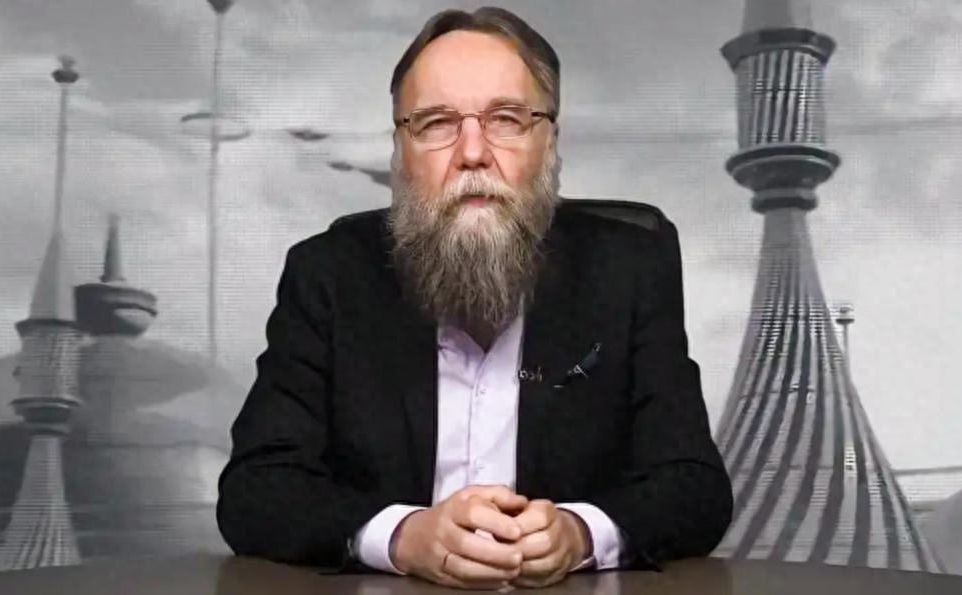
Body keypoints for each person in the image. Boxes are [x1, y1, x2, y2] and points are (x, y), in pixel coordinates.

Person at [217, 6, 732, 590]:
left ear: (549, 143)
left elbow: (694, 487)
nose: (472, 152)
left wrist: (579, 533)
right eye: (436, 123)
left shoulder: (629, 270)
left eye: (506, 119)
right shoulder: (327, 276)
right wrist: (403, 537)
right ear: (400, 152)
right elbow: (256, 488)